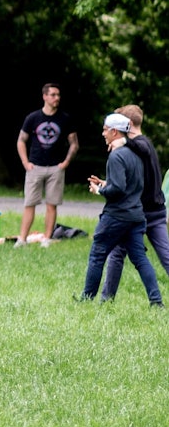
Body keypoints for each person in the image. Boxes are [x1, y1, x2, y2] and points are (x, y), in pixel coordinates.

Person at [78, 114, 162, 306]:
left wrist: (99, 190)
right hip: (136, 216)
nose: (103, 133)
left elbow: (117, 190)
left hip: (116, 216)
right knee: (140, 259)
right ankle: (156, 302)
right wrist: (107, 183)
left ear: (114, 131)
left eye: (105, 129)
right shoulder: (135, 155)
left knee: (97, 255)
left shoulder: (116, 156)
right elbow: (130, 185)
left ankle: (86, 299)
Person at [101, 104, 169, 299]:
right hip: (149, 211)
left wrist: (123, 142)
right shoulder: (139, 147)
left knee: (162, 256)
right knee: (118, 253)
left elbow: (138, 146)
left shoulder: (141, 144)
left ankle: (106, 298)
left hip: (143, 213)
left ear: (128, 124)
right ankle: (107, 298)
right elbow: (134, 181)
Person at [16, 83, 79, 247]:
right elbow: (21, 141)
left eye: (58, 95)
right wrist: (25, 162)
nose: (56, 98)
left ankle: (47, 238)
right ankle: (22, 239)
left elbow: (74, 143)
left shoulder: (65, 119)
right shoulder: (33, 118)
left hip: (55, 168)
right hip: (34, 166)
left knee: (52, 204)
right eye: (53, 95)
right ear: (44, 96)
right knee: (29, 203)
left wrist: (65, 162)